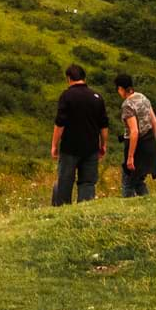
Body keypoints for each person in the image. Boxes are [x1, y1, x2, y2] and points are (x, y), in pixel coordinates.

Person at [50, 62, 108, 206]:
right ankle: (85, 211)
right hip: (91, 147)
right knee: (88, 182)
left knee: (65, 181)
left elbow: (60, 123)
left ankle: (62, 212)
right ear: (84, 77)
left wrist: (54, 145)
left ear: (69, 78)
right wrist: (103, 144)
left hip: (70, 147)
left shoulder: (67, 96)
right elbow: (104, 125)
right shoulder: (97, 97)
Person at [116, 72, 156, 197]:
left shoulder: (127, 105)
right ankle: (147, 204)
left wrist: (130, 157)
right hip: (149, 142)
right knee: (139, 180)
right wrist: (153, 141)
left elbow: (134, 131)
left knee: (127, 182)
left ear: (121, 89)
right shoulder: (142, 97)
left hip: (136, 146)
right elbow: (154, 121)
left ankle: (129, 211)